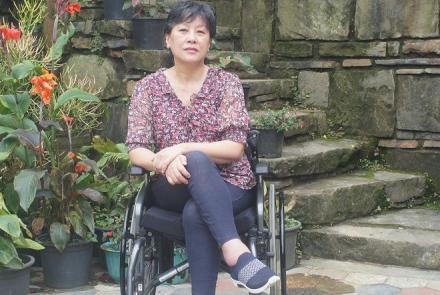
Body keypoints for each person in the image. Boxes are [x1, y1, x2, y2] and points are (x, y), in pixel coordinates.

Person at [125, 1, 279, 294]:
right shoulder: (148, 87)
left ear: (210, 41)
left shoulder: (227, 84)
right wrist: (164, 162)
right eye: (183, 30)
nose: (192, 38)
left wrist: (181, 148)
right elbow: (136, 149)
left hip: (231, 184)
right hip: (172, 185)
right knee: (194, 164)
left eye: (201, 32)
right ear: (168, 38)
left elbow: (234, 148)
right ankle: (236, 253)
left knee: (197, 207)